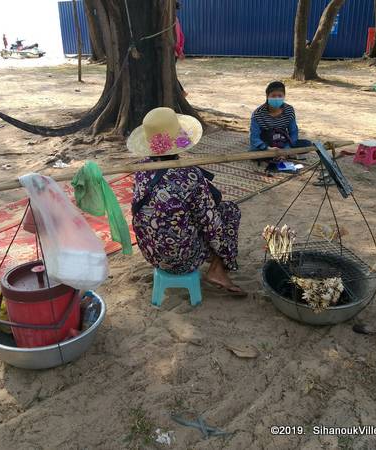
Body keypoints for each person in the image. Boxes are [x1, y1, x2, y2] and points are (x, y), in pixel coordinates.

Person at [129, 107, 246, 297]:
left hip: (151, 252)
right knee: (229, 211)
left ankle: (210, 261)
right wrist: (226, 253)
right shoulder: (190, 175)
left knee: (188, 216)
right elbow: (211, 225)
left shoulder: (141, 169)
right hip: (181, 260)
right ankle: (218, 270)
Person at [250, 81, 311, 151]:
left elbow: (293, 132)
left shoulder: (289, 110)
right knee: (255, 149)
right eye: (273, 96)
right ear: (267, 96)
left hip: (283, 141)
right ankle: (278, 155)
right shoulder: (258, 114)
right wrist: (267, 148)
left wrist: (286, 149)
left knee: (306, 144)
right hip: (266, 143)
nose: (276, 98)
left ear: (284, 96)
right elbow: (254, 137)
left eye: (280, 96)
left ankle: (280, 155)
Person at [174, 2, 187, 97]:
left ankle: (181, 92)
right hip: (175, 52)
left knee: (171, 74)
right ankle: (182, 92)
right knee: (172, 72)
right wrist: (180, 50)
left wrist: (179, 51)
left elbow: (175, 39)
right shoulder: (176, 20)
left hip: (172, 52)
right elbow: (182, 37)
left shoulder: (171, 21)